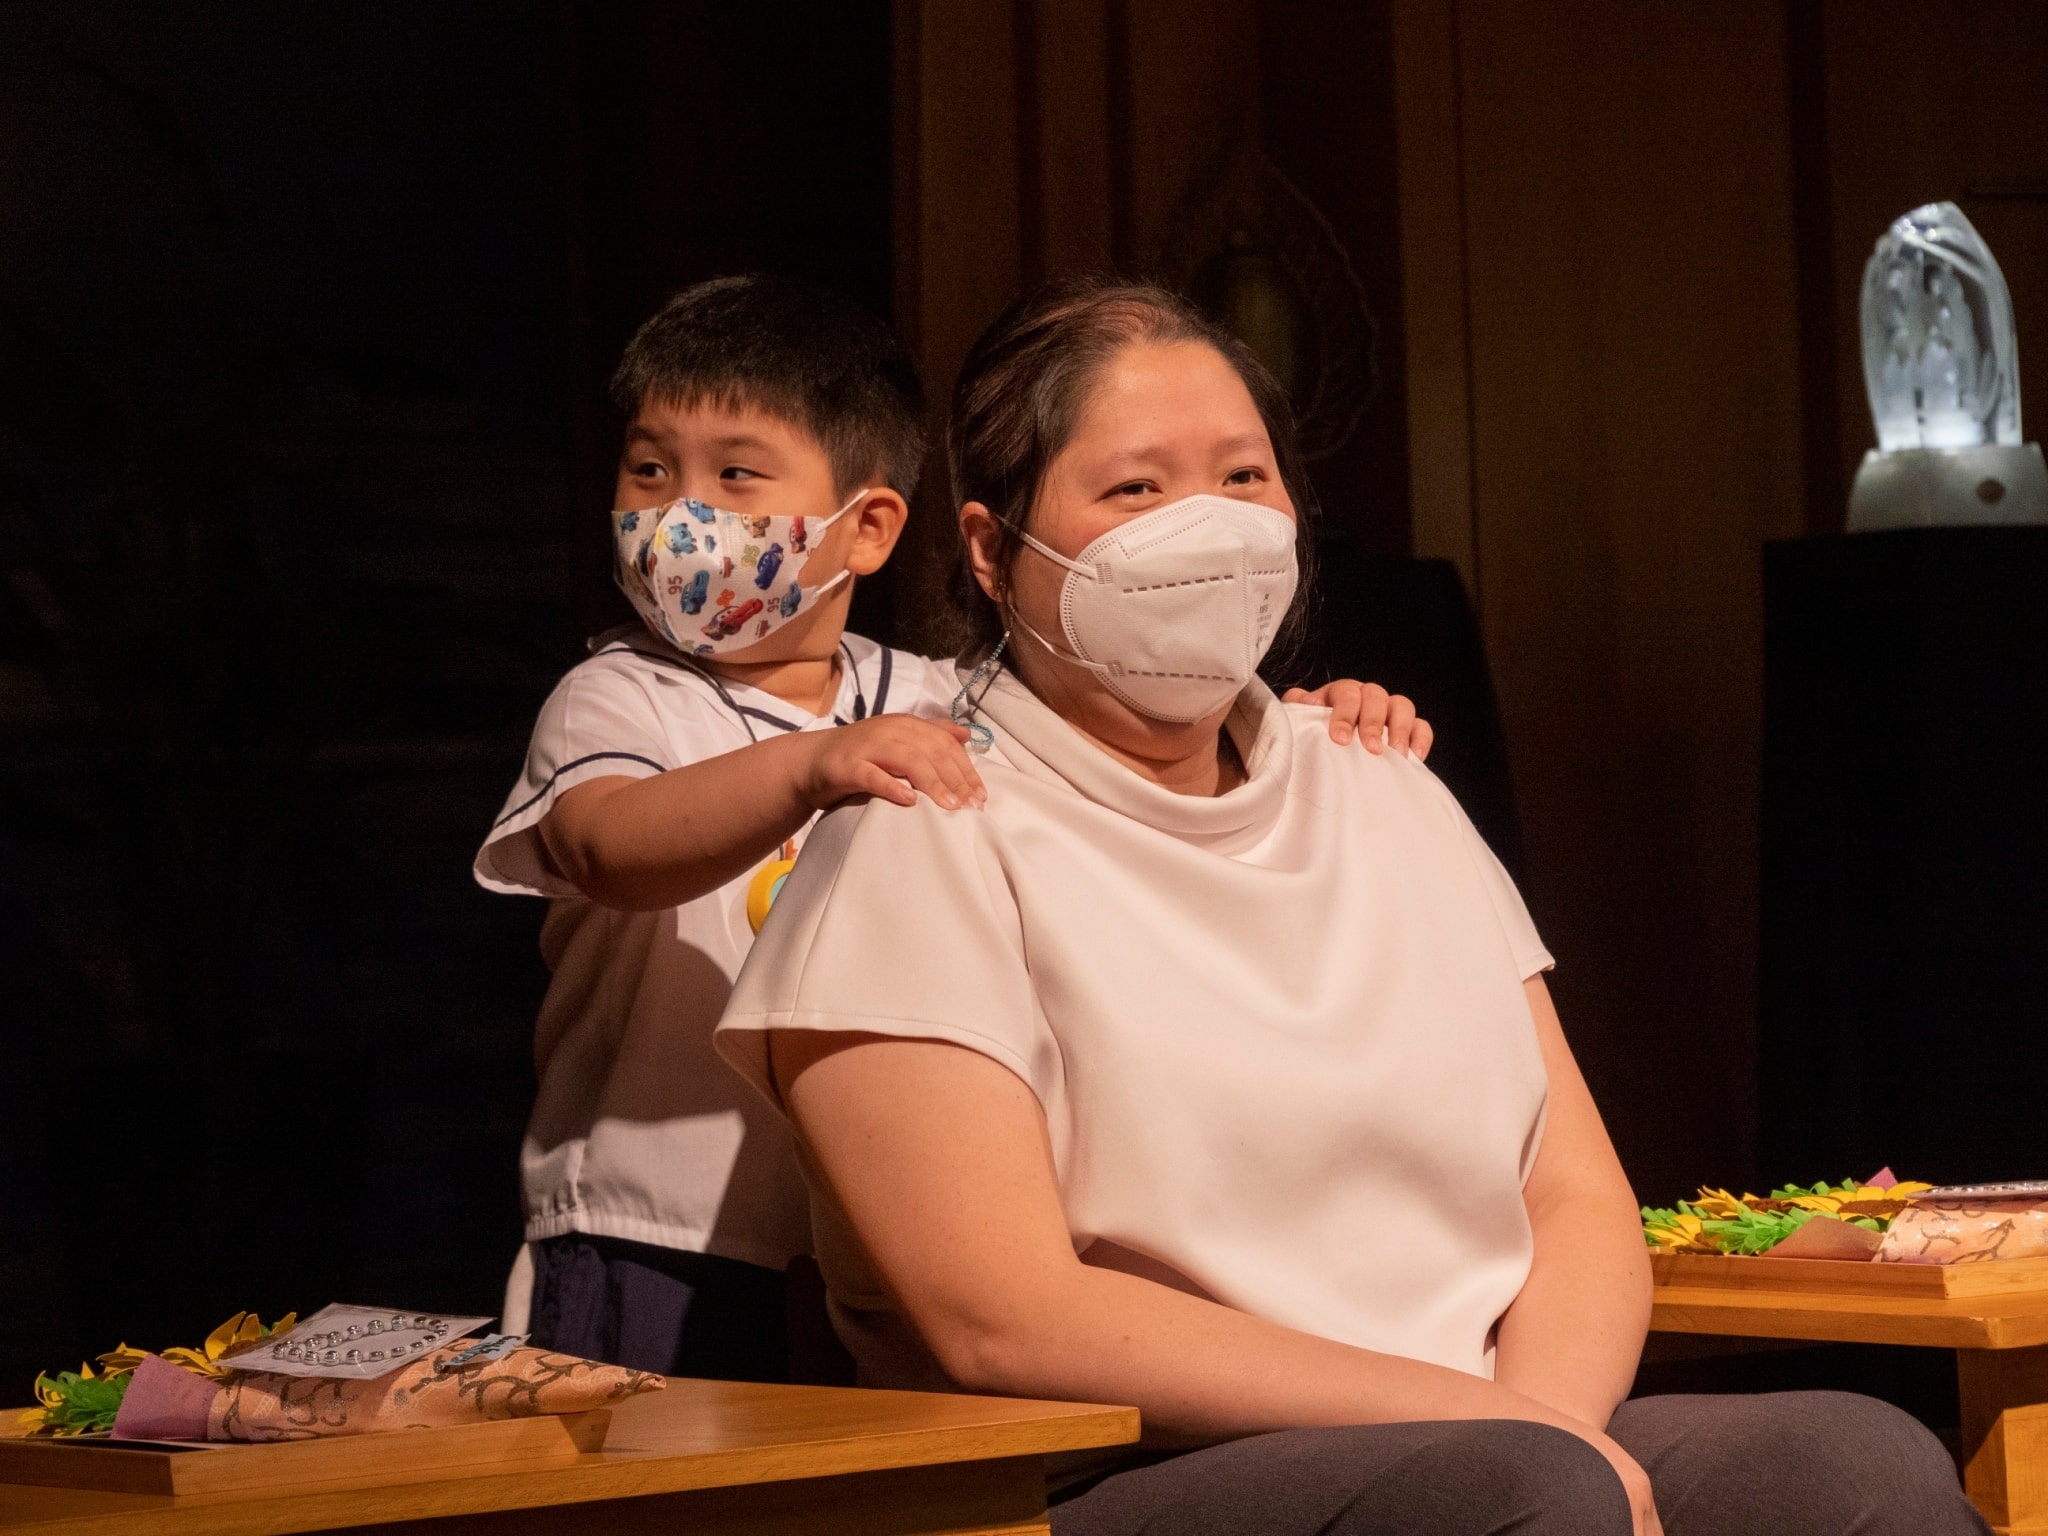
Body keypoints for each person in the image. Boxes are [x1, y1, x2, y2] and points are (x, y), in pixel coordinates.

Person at [714, 279, 1989, 1534]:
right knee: (1527, 1493)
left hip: (1494, 1433)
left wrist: (1546, 1417)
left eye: (1243, 477)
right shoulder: (921, 836)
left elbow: (1571, 1198)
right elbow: (999, 1316)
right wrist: (1507, 1441)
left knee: (1846, 1462)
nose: (1204, 525)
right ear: (994, 551)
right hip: (1116, 1471)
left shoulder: (1377, 783)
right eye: (1133, 489)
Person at [474, 274, 1430, 1383]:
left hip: (877, 1252)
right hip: (653, 1234)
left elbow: (1097, 765)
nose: (680, 516)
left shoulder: (937, 695)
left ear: (869, 526)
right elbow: (605, 846)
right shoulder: (618, 698)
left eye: (735, 476)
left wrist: (1283, 734)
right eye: (650, 471)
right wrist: (811, 764)